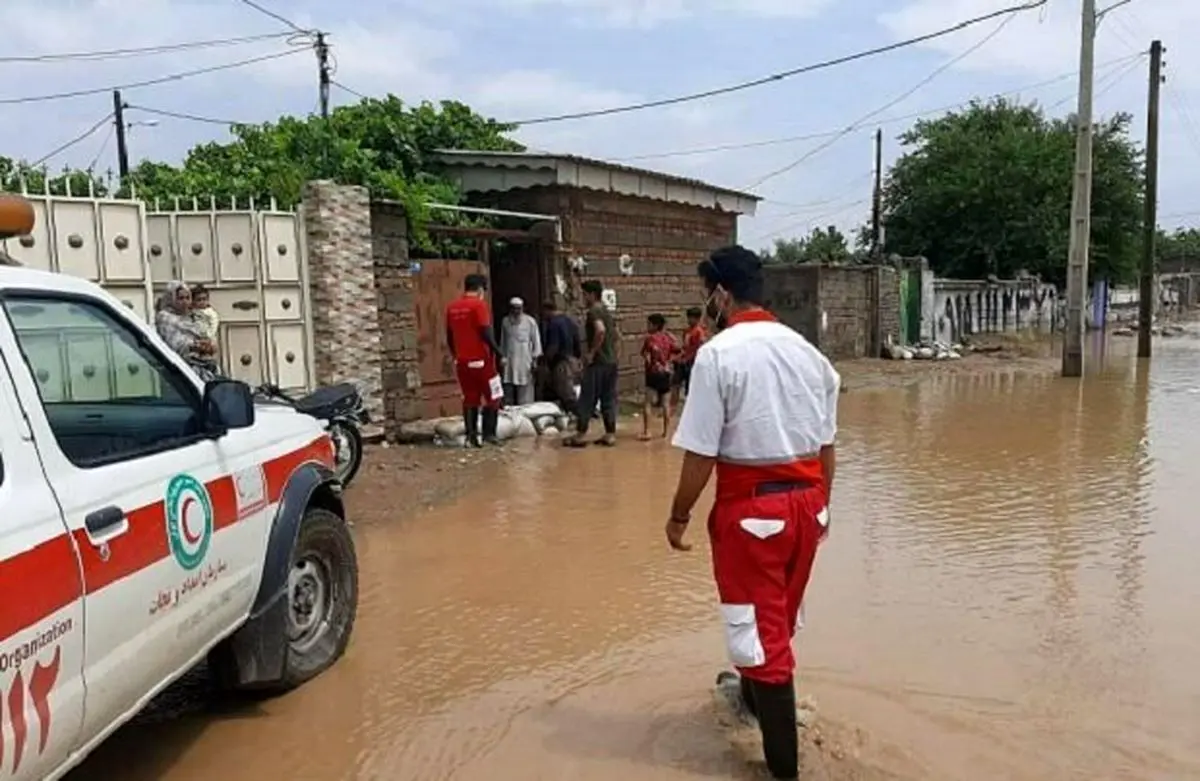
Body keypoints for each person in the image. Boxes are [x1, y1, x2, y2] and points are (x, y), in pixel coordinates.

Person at [664, 245, 839, 781]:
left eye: (705, 295)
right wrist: (822, 511)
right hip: (808, 504)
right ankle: (749, 700)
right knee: (773, 623)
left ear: (720, 294)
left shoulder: (718, 355)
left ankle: (783, 771)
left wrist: (678, 516)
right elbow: (827, 445)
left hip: (752, 511)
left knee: (758, 633)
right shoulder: (810, 354)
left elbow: (702, 451)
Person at [445, 274, 505, 447]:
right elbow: (485, 332)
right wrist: (499, 352)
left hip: (462, 363)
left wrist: (456, 355)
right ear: (480, 289)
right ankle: (489, 434)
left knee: (470, 398)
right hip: (482, 361)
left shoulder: (452, 307)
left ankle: (471, 436)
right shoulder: (479, 306)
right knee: (494, 395)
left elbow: (449, 336)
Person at [563, 280, 618, 448]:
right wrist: (615, 356)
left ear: (592, 294)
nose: (583, 298)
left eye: (584, 294)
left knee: (587, 398)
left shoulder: (594, 311)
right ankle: (610, 434)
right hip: (610, 363)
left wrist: (591, 354)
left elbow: (600, 331)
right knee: (608, 398)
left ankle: (580, 434)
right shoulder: (607, 311)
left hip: (598, 364)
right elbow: (616, 335)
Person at [155, 281, 218, 376]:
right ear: (171, 299)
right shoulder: (165, 317)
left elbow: (206, 334)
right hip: (178, 369)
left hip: (203, 366)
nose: (185, 301)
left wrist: (209, 345)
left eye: (187, 298)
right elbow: (173, 343)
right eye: (180, 298)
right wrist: (195, 345)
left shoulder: (194, 316)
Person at [639, 313, 677, 441]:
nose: (647, 326)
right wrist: (668, 363)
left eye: (649, 324)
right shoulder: (668, 338)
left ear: (655, 325)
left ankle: (647, 431)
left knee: (648, 403)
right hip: (665, 373)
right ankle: (666, 433)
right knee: (666, 404)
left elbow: (644, 353)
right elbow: (677, 350)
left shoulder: (650, 339)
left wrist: (650, 362)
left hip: (653, 374)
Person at [500, 297, 542, 406]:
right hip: (510, 361)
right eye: (514, 308)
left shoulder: (530, 322)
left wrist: (535, 360)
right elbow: (503, 341)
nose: (516, 311)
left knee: (525, 390)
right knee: (508, 387)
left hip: (525, 361)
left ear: (522, 309)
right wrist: (502, 357)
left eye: (518, 308)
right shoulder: (505, 321)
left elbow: (536, 342)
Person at [541, 299, 580, 410]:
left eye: (543, 312)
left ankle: (577, 414)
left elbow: (553, 345)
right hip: (571, 359)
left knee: (564, 390)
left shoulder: (553, 323)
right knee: (568, 387)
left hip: (561, 361)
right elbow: (576, 339)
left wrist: (546, 361)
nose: (543, 316)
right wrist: (577, 356)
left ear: (547, 310)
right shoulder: (568, 321)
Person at [670, 306, 707, 408]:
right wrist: (678, 356)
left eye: (691, 318)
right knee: (675, 384)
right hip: (683, 362)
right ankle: (672, 407)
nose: (689, 320)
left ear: (697, 319)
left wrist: (688, 358)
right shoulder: (687, 331)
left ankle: (689, 408)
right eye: (689, 318)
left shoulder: (699, 332)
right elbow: (685, 348)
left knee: (690, 388)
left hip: (692, 363)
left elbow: (699, 349)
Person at [190, 283, 220, 349]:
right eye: (199, 300)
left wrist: (208, 337)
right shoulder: (191, 312)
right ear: (193, 301)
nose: (202, 302)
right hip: (195, 340)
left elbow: (213, 326)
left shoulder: (211, 313)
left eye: (204, 299)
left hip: (208, 341)